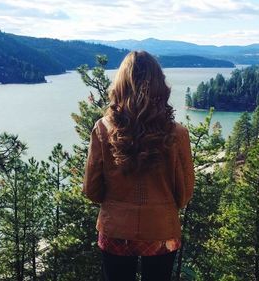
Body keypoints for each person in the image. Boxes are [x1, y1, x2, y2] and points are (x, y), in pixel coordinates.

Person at [82, 50, 194, 281]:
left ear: (120, 84)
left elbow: (91, 190)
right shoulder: (178, 133)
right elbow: (184, 195)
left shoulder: (103, 129)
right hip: (162, 230)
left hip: (115, 230)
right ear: (160, 85)